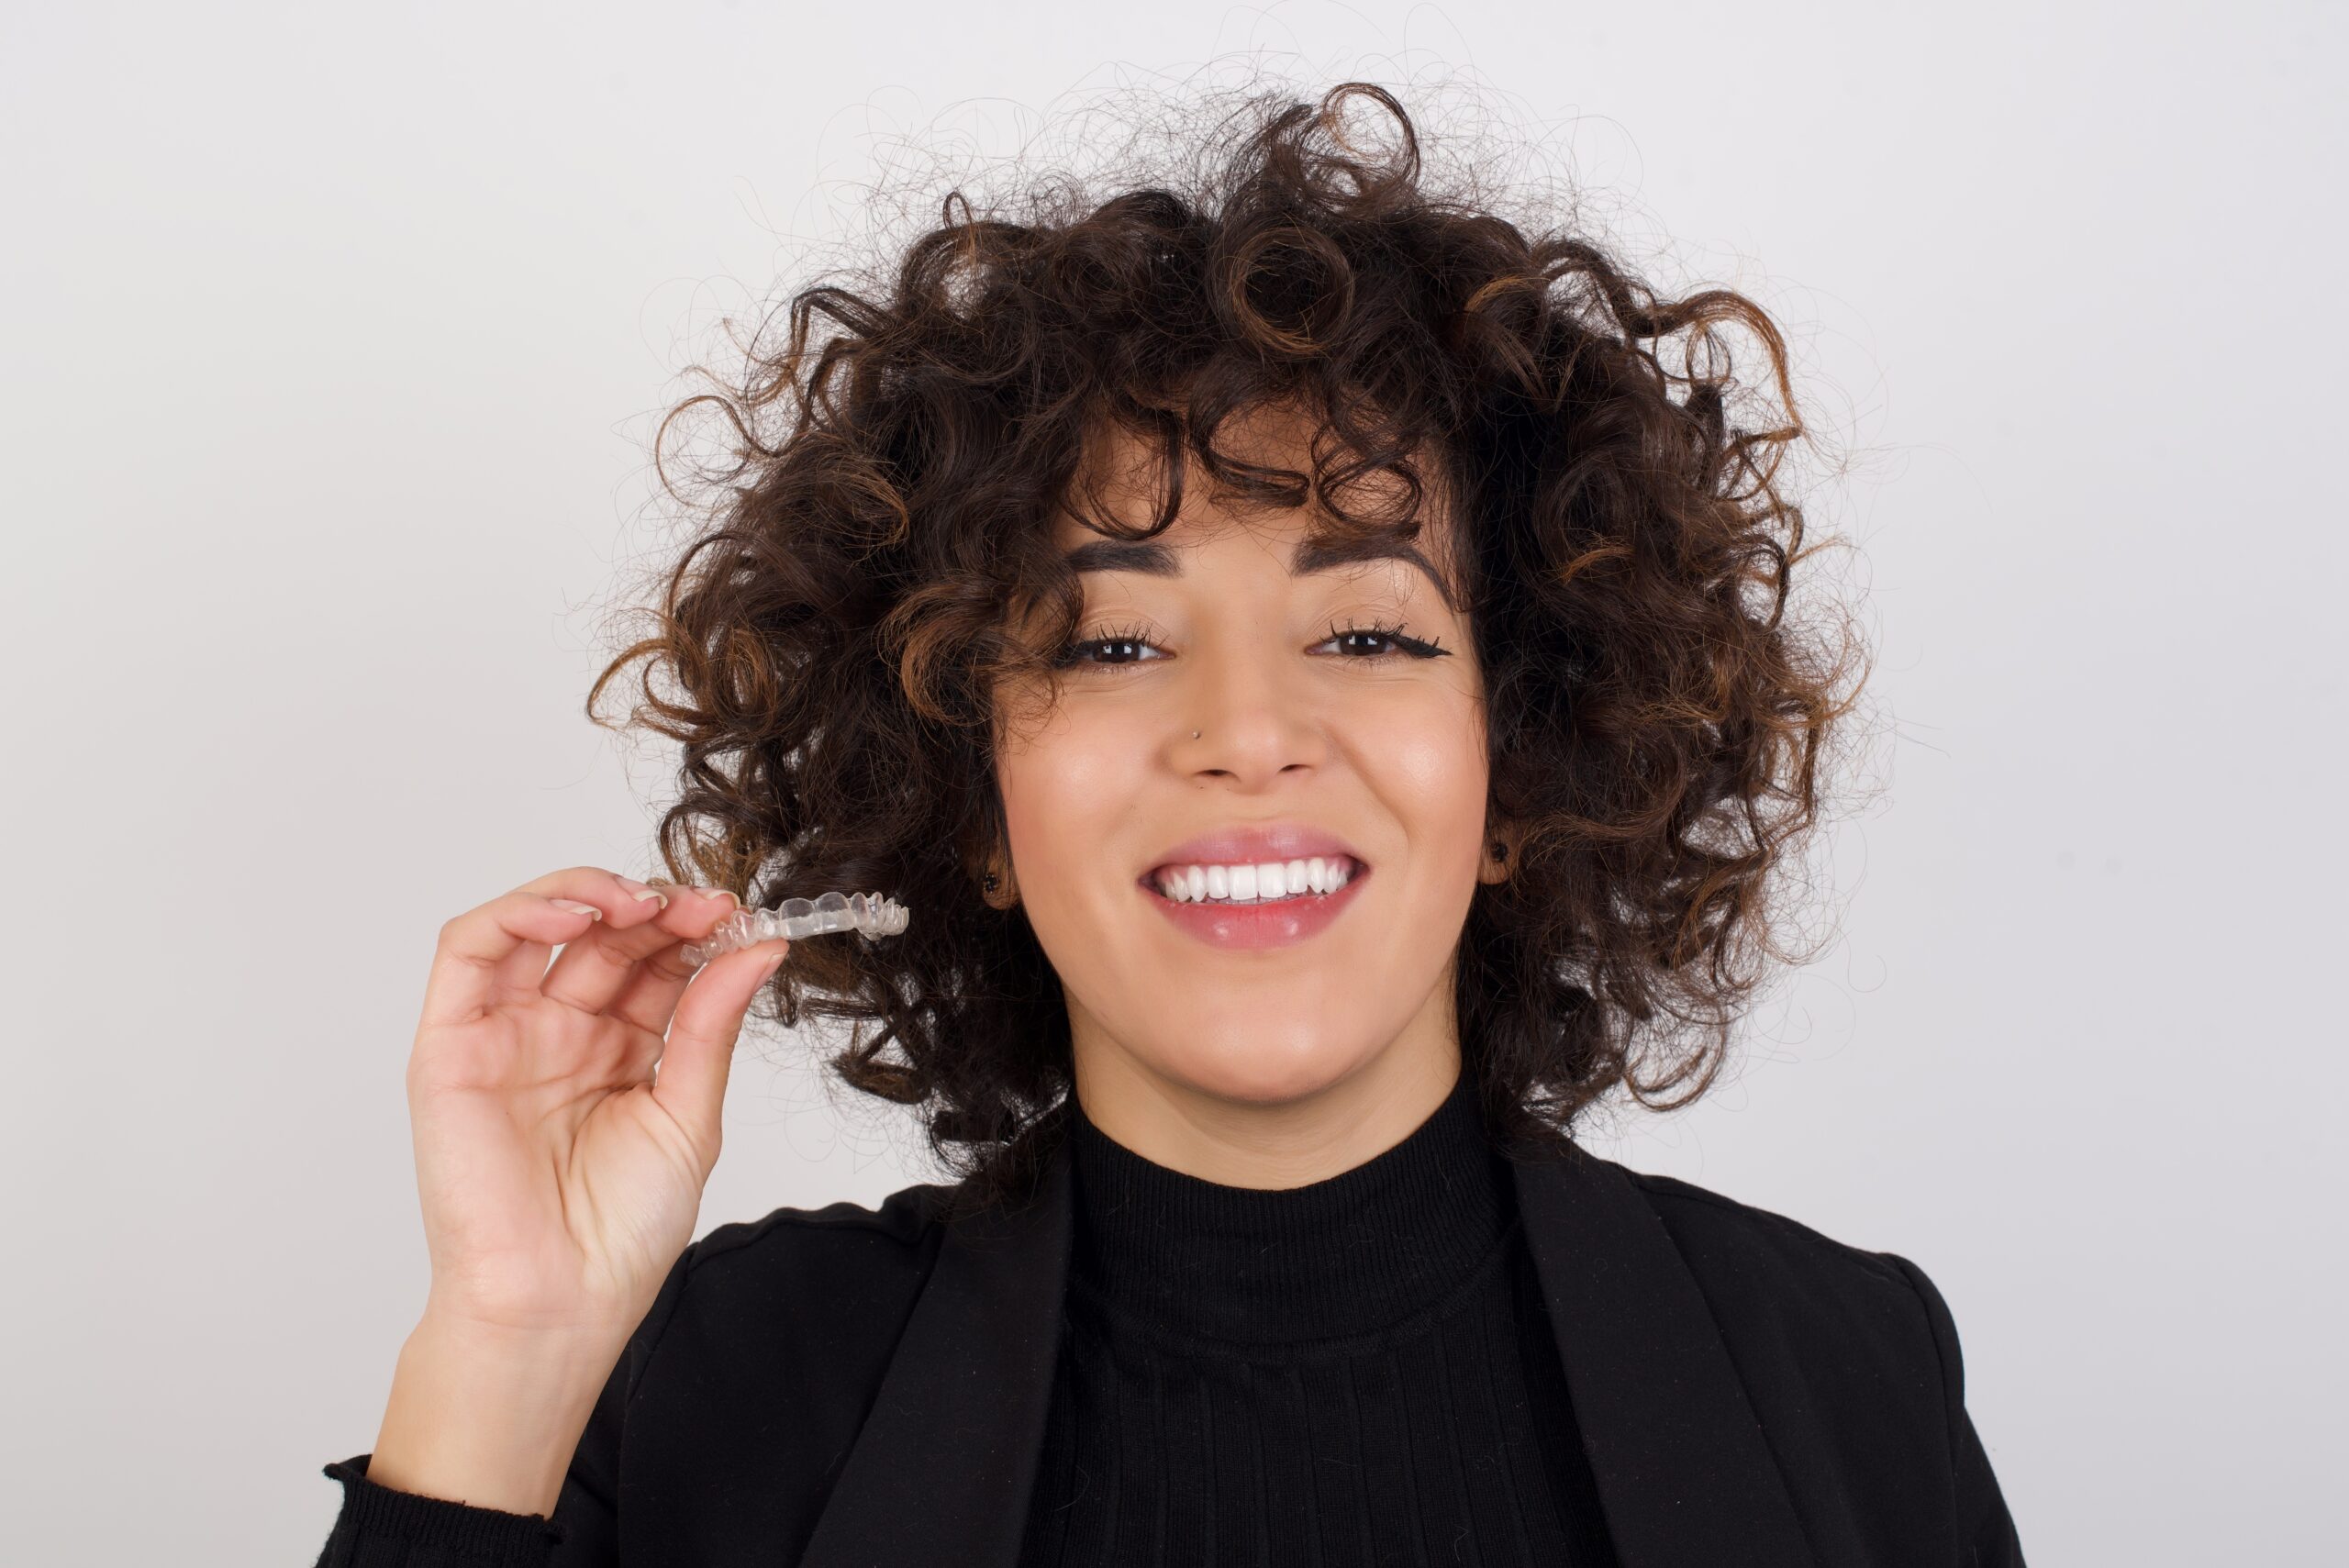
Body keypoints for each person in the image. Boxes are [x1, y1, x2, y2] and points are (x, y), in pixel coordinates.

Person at [312, 82, 2025, 1567]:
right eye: (1114, 642)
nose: (1247, 734)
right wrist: (509, 1347)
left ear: (1521, 768)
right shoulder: (723, 1383)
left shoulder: (1843, 1375)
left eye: (1368, 631)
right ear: (973, 801)